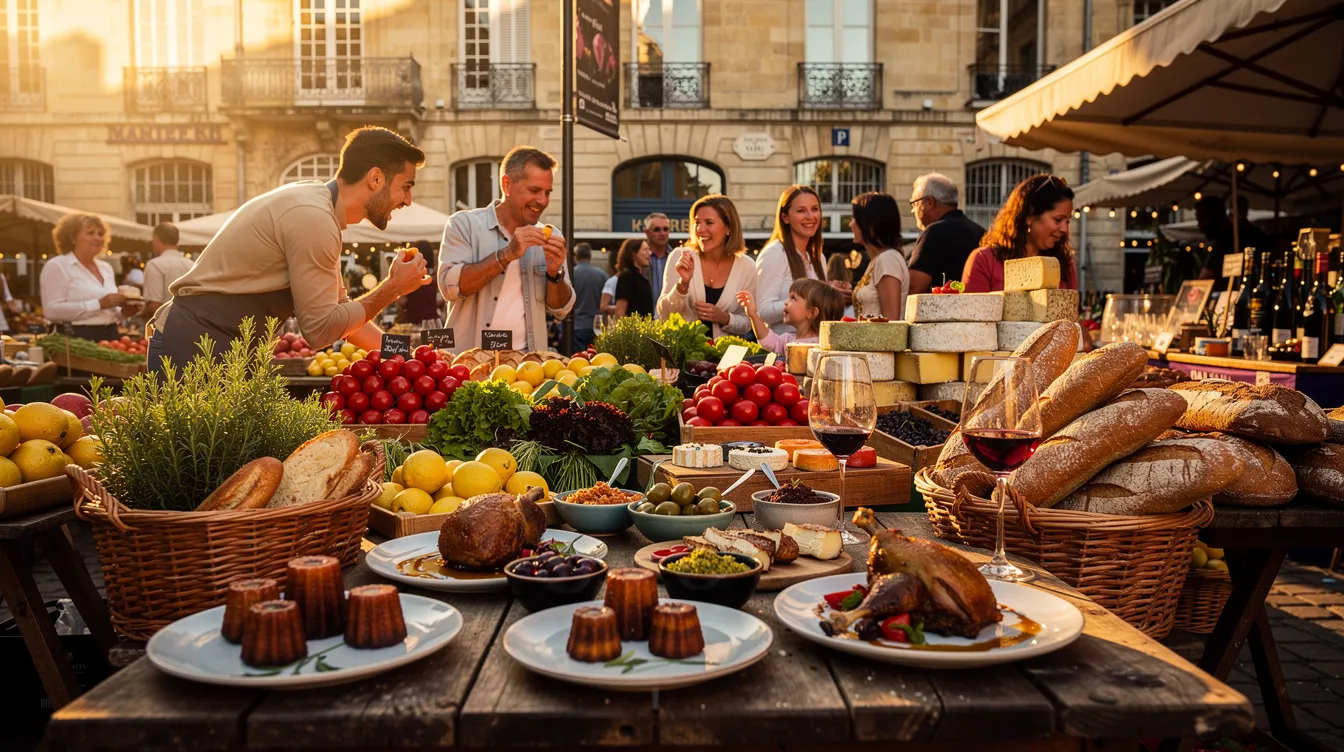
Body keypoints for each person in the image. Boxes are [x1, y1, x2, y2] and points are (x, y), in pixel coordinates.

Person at [147, 126, 429, 373]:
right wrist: (392, 288)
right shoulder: (313, 216)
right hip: (195, 347)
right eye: (406, 187)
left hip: (218, 347)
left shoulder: (318, 209)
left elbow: (341, 311)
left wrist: (408, 355)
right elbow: (320, 331)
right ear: (376, 179)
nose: (408, 200)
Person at [439, 146, 574, 352]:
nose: (543, 201)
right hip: (467, 365)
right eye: (535, 190)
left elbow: (561, 310)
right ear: (507, 184)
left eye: (547, 193)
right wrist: (507, 254)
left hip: (526, 369)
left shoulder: (552, 235)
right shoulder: (463, 224)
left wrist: (555, 274)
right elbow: (450, 288)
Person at [656, 194, 756, 338]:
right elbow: (664, 314)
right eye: (697, 222)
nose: (700, 229)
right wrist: (682, 285)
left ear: (728, 228)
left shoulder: (747, 266)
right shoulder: (681, 256)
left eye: (709, 223)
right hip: (683, 354)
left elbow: (747, 322)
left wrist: (725, 318)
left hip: (725, 357)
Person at [963, 174, 1078, 293]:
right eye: (1058, 219)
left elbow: (1071, 310)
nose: (1065, 229)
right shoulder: (985, 260)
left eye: (1068, 221)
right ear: (1029, 216)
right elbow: (973, 310)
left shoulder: (1065, 266)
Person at [42, 214, 144, 342]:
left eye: (101, 234)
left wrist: (125, 312)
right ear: (72, 238)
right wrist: (99, 304)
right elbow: (51, 311)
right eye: (90, 233)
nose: (97, 238)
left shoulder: (105, 268)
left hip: (110, 336)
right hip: (75, 338)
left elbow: (108, 314)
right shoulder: (58, 266)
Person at [754, 185, 826, 335]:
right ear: (785, 217)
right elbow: (762, 311)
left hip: (814, 346)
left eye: (814, 209)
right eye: (801, 210)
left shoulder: (818, 257)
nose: (810, 216)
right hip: (783, 349)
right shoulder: (774, 254)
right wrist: (807, 302)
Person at [908, 173, 985, 294]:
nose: (913, 210)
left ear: (929, 202)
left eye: (915, 203)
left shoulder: (934, 232)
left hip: (940, 311)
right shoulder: (980, 231)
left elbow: (914, 287)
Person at [737, 278, 844, 355]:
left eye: (793, 298)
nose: (786, 302)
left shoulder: (823, 346)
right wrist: (753, 314)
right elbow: (767, 341)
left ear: (811, 313)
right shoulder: (788, 339)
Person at [849, 192, 909, 321]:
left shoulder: (887, 259)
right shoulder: (879, 259)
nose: (851, 224)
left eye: (854, 219)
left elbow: (890, 320)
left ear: (871, 226)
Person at [142, 222, 195, 319]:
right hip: (189, 323)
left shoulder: (154, 265)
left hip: (165, 325)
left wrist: (138, 313)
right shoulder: (191, 264)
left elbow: (154, 305)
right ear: (177, 241)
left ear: (156, 239)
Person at [569, 241, 608, 351]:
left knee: (579, 362)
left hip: (577, 325)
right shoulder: (602, 275)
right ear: (590, 256)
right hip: (598, 326)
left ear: (576, 256)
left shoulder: (571, 275)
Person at [395, 242, 441, 326]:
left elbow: (402, 301)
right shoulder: (434, 275)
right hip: (432, 321)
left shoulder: (409, 275)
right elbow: (440, 299)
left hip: (412, 321)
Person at [613, 238, 654, 318]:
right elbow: (620, 309)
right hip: (633, 329)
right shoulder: (627, 277)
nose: (649, 253)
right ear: (633, 254)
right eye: (645, 250)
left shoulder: (641, 277)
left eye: (649, 250)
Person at [642, 212, 672, 303]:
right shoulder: (640, 258)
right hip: (645, 315)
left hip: (671, 315)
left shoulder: (676, 257)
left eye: (665, 229)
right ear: (647, 232)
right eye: (657, 229)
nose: (662, 233)